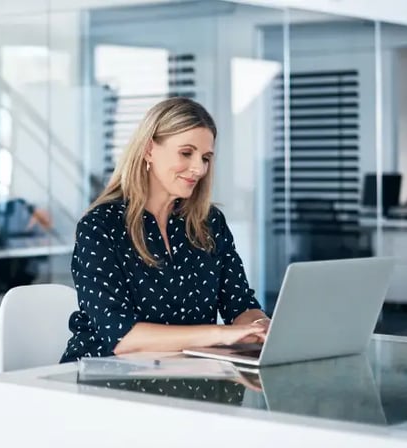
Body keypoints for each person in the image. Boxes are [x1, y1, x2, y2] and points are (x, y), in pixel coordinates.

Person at [60, 97, 270, 363]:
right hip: (106, 379)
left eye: (205, 157)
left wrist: (261, 327)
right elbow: (122, 337)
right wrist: (222, 334)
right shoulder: (101, 227)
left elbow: (240, 305)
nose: (199, 168)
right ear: (149, 149)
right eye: (186, 153)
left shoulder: (209, 222)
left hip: (186, 377)